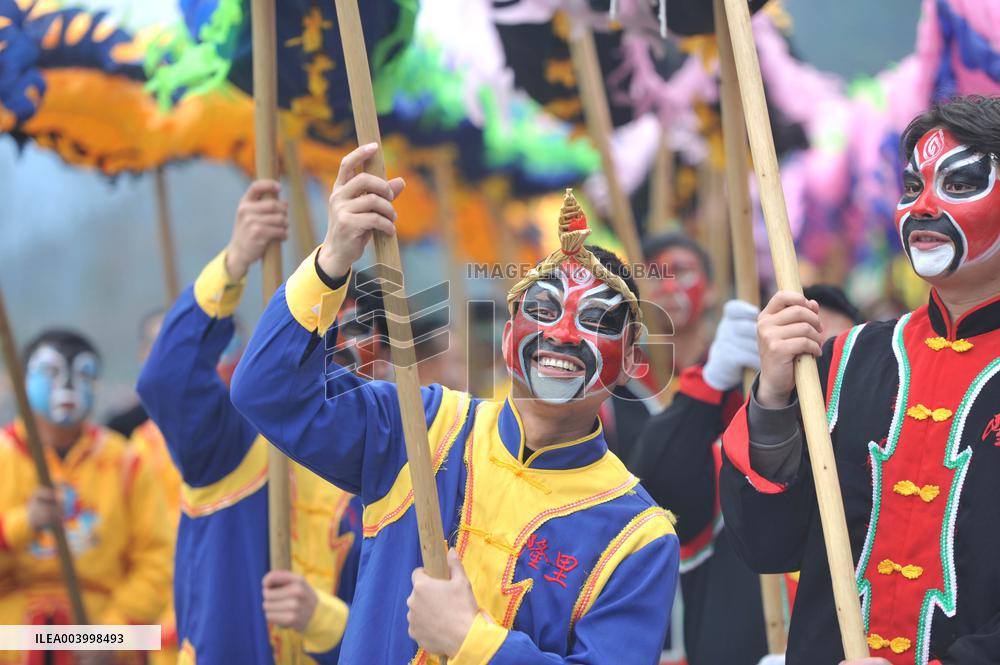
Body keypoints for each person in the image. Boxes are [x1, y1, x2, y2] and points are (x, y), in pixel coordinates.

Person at [231, 144, 680, 664]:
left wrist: (475, 645)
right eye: (543, 309)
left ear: (630, 361)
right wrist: (332, 260)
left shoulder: (638, 537)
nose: (560, 335)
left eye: (595, 321)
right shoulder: (422, 425)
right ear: (510, 335)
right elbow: (265, 389)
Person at [720, 95, 1000, 665]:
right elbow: (767, 543)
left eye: (960, 183)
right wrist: (773, 396)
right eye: (911, 185)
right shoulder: (846, 358)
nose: (922, 207)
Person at [136, 180, 363, 665]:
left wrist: (323, 620)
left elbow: (405, 634)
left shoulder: (396, 466)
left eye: (369, 342)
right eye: (326, 333)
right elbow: (167, 378)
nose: (346, 355)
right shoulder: (235, 441)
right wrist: (237, 259)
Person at [631, 284, 860, 665]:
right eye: (800, 356)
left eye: (834, 357)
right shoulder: (734, 465)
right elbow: (655, 483)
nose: (814, 375)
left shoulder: (878, 477)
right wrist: (711, 379)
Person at [0, 329, 171, 665]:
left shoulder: (125, 461)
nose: (67, 386)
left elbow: (158, 561)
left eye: (83, 375)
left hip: (101, 633)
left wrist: (113, 633)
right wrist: (21, 525)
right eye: (51, 373)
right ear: (23, 379)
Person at [601, 233, 716, 467]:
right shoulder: (616, 384)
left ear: (711, 290)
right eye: (654, 275)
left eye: (682, 272)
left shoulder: (736, 377)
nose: (669, 287)